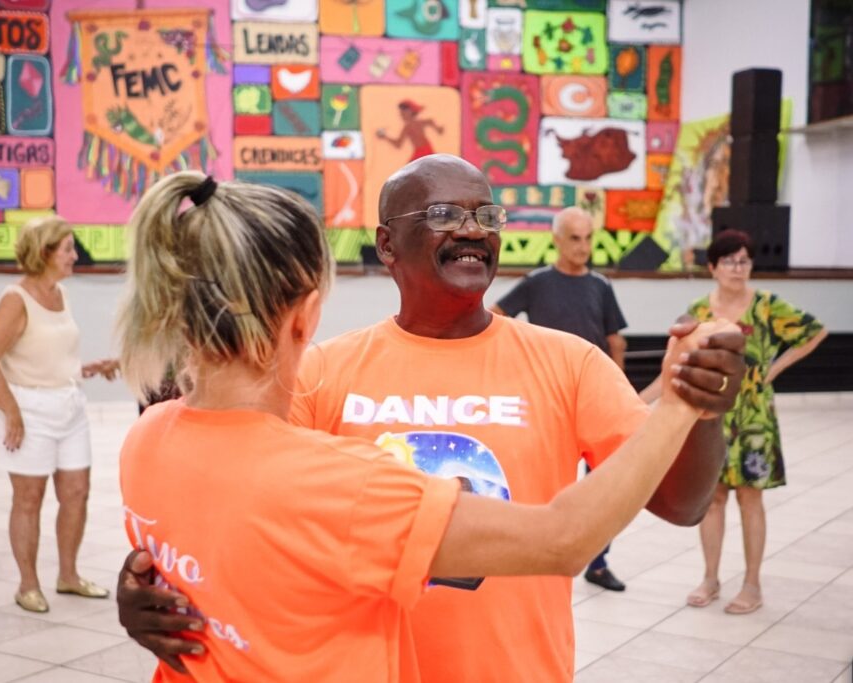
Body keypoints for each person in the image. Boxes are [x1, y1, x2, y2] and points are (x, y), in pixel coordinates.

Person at [117, 155, 746, 682]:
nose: (472, 230)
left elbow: (682, 504)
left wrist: (703, 409)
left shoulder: (571, 363)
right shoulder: (320, 376)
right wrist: (158, 586)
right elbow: (244, 505)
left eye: (486, 216)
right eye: (444, 214)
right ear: (386, 244)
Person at [640, 229, 827, 615]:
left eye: (744, 260)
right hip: (710, 417)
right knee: (712, 499)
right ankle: (710, 578)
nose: (737, 268)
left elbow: (815, 332)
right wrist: (637, 401)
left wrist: (774, 369)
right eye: (729, 261)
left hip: (755, 419)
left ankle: (752, 584)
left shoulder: (767, 305)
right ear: (713, 267)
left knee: (750, 499)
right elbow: (676, 366)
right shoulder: (699, 312)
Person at [0, 216, 115, 613]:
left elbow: (47, 352)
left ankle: (68, 576)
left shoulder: (60, 294)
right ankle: (28, 585)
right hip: (28, 409)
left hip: (69, 405)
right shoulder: (15, 299)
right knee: (29, 498)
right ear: (44, 253)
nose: (74, 256)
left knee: (77, 492)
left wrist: (85, 367)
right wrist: (11, 413)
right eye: (67, 249)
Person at [490, 206, 629, 591]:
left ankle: (597, 562)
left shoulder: (600, 285)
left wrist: (618, 389)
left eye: (588, 238)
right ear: (556, 240)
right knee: (543, 482)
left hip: (594, 398)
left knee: (603, 486)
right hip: (545, 399)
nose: (583, 246)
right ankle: (536, 550)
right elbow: (494, 318)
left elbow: (616, 341)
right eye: (575, 238)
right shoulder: (537, 282)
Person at [375, 99, 444, 162]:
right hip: (420, 152)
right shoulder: (407, 127)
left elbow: (431, 122)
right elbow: (398, 144)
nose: (401, 114)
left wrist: (438, 129)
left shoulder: (413, 125)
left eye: (403, 112)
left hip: (426, 151)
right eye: (401, 113)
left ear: (411, 111)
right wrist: (385, 136)